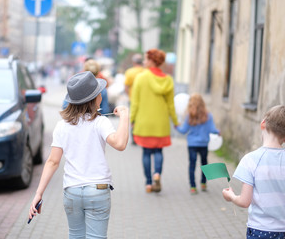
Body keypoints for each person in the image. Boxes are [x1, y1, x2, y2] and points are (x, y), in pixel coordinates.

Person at [29, 71, 129, 238]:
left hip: (72, 192)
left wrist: (39, 193)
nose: (101, 95)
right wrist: (125, 115)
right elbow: (120, 144)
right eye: (98, 92)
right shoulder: (100, 122)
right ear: (93, 98)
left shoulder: (62, 126)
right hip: (97, 191)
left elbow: (53, 162)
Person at [222, 105, 285, 239]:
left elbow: (245, 201)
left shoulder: (251, 159)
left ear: (263, 124)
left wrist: (232, 196)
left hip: (260, 229)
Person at [130, 48, 179, 193]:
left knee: (146, 153)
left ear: (152, 61)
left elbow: (135, 103)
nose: (144, 62)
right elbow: (171, 105)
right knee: (158, 151)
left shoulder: (140, 78)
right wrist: (175, 122)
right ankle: (157, 174)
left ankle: (149, 183)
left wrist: (131, 120)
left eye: (145, 59)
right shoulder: (168, 80)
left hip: (144, 122)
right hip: (161, 123)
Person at [175, 93, 220, 194]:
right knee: (204, 164)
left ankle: (193, 186)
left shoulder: (189, 116)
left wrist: (176, 127)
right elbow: (212, 129)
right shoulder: (208, 116)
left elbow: (183, 131)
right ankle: (203, 183)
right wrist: (218, 132)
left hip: (192, 145)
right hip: (203, 144)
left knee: (192, 164)